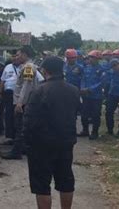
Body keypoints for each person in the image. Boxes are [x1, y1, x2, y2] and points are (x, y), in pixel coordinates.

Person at [24, 56, 80, 209]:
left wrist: (26, 143)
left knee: (42, 184)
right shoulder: (74, 90)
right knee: (65, 180)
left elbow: (29, 121)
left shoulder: (39, 91)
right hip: (66, 142)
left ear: (45, 71)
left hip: (42, 144)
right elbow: (75, 112)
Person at [2, 46, 44, 160]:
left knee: (20, 127)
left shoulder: (28, 67)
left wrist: (20, 103)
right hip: (28, 101)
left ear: (25, 55)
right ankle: (25, 148)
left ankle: (16, 152)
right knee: (24, 126)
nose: (17, 56)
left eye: (19, 54)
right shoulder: (27, 66)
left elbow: (26, 86)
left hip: (25, 102)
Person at [79, 50, 103, 140]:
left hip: (96, 96)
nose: (91, 59)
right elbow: (83, 79)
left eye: (93, 58)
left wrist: (90, 89)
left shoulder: (101, 69)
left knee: (95, 115)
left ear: (98, 59)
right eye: (90, 57)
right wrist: (82, 88)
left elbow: (101, 82)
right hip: (86, 96)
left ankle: (95, 132)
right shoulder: (86, 68)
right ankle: (85, 130)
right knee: (84, 114)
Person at [0, 52, 21, 143]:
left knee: (18, 115)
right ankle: (10, 137)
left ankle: (18, 137)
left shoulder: (25, 67)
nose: (15, 58)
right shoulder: (7, 67)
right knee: (8, 115)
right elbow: (2, 80)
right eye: (13, 56)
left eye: (17, 56)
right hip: (8, 94)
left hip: (19, 95)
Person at [105, 49, 119, 136]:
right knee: (109, 112)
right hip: (112, 93)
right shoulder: (111, 67)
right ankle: (110, 130)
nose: (115, 58)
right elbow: (107, 81)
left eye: (118, 57)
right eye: (114, 56)